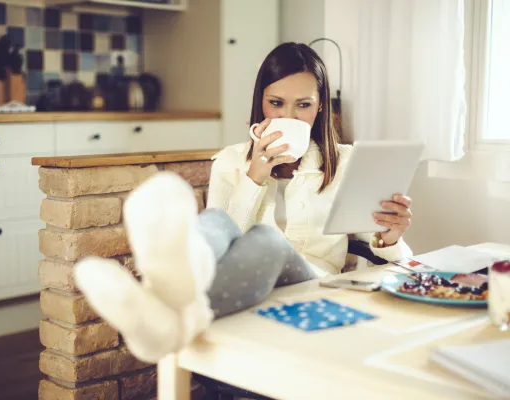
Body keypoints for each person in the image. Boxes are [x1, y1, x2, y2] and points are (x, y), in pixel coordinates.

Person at [73, 42, 414, 363]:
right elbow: (225, 237)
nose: (290, 117)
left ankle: (165, 317)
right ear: (260, 103)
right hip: (246, 283)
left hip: (314, 283)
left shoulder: (345, 162)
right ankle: (167, 301)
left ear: (321, 104)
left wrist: (391, 237)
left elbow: (390, 260)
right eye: (276, 103)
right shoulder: (230, 161)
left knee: (268, 240)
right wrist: (254, 177)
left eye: (304, 105)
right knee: (217, 221)